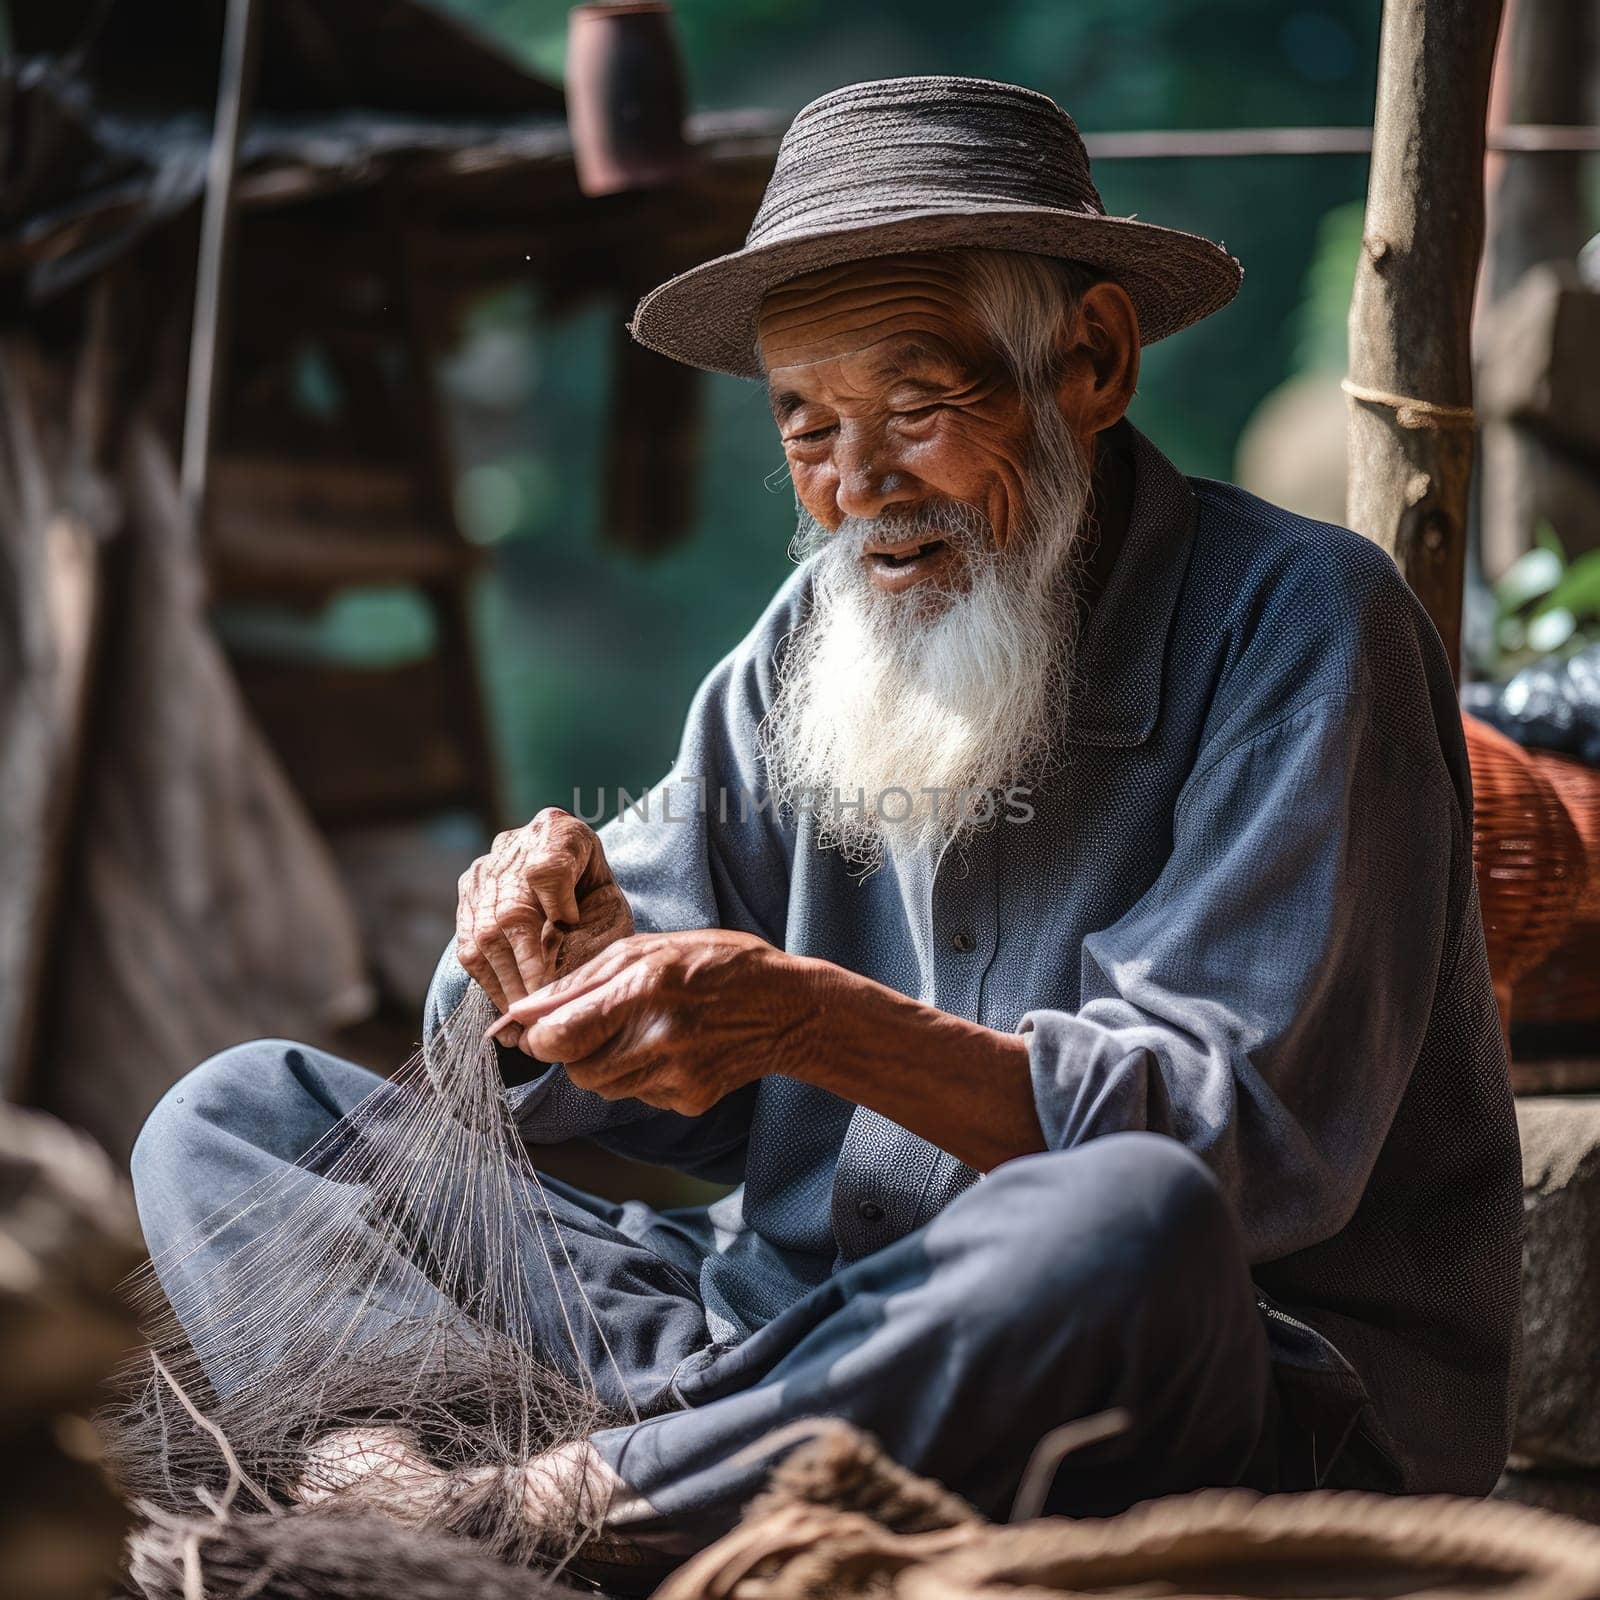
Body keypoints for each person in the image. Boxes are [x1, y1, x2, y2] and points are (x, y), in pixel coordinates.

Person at [132, 76, 1521, 1566]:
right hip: (780, 1343)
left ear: (1093, 361)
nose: (859, 485)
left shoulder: (1304, 626)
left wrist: (809, 1024)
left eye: (915, 407)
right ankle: (418, 1494)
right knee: (235, 1119)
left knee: (1124, 1222)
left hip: (1179, 1370)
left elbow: (1226, 1146)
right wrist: (548, 965)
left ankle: (553, 1512)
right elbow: (593, 1064)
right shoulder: (811, 640)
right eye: (808, 427)